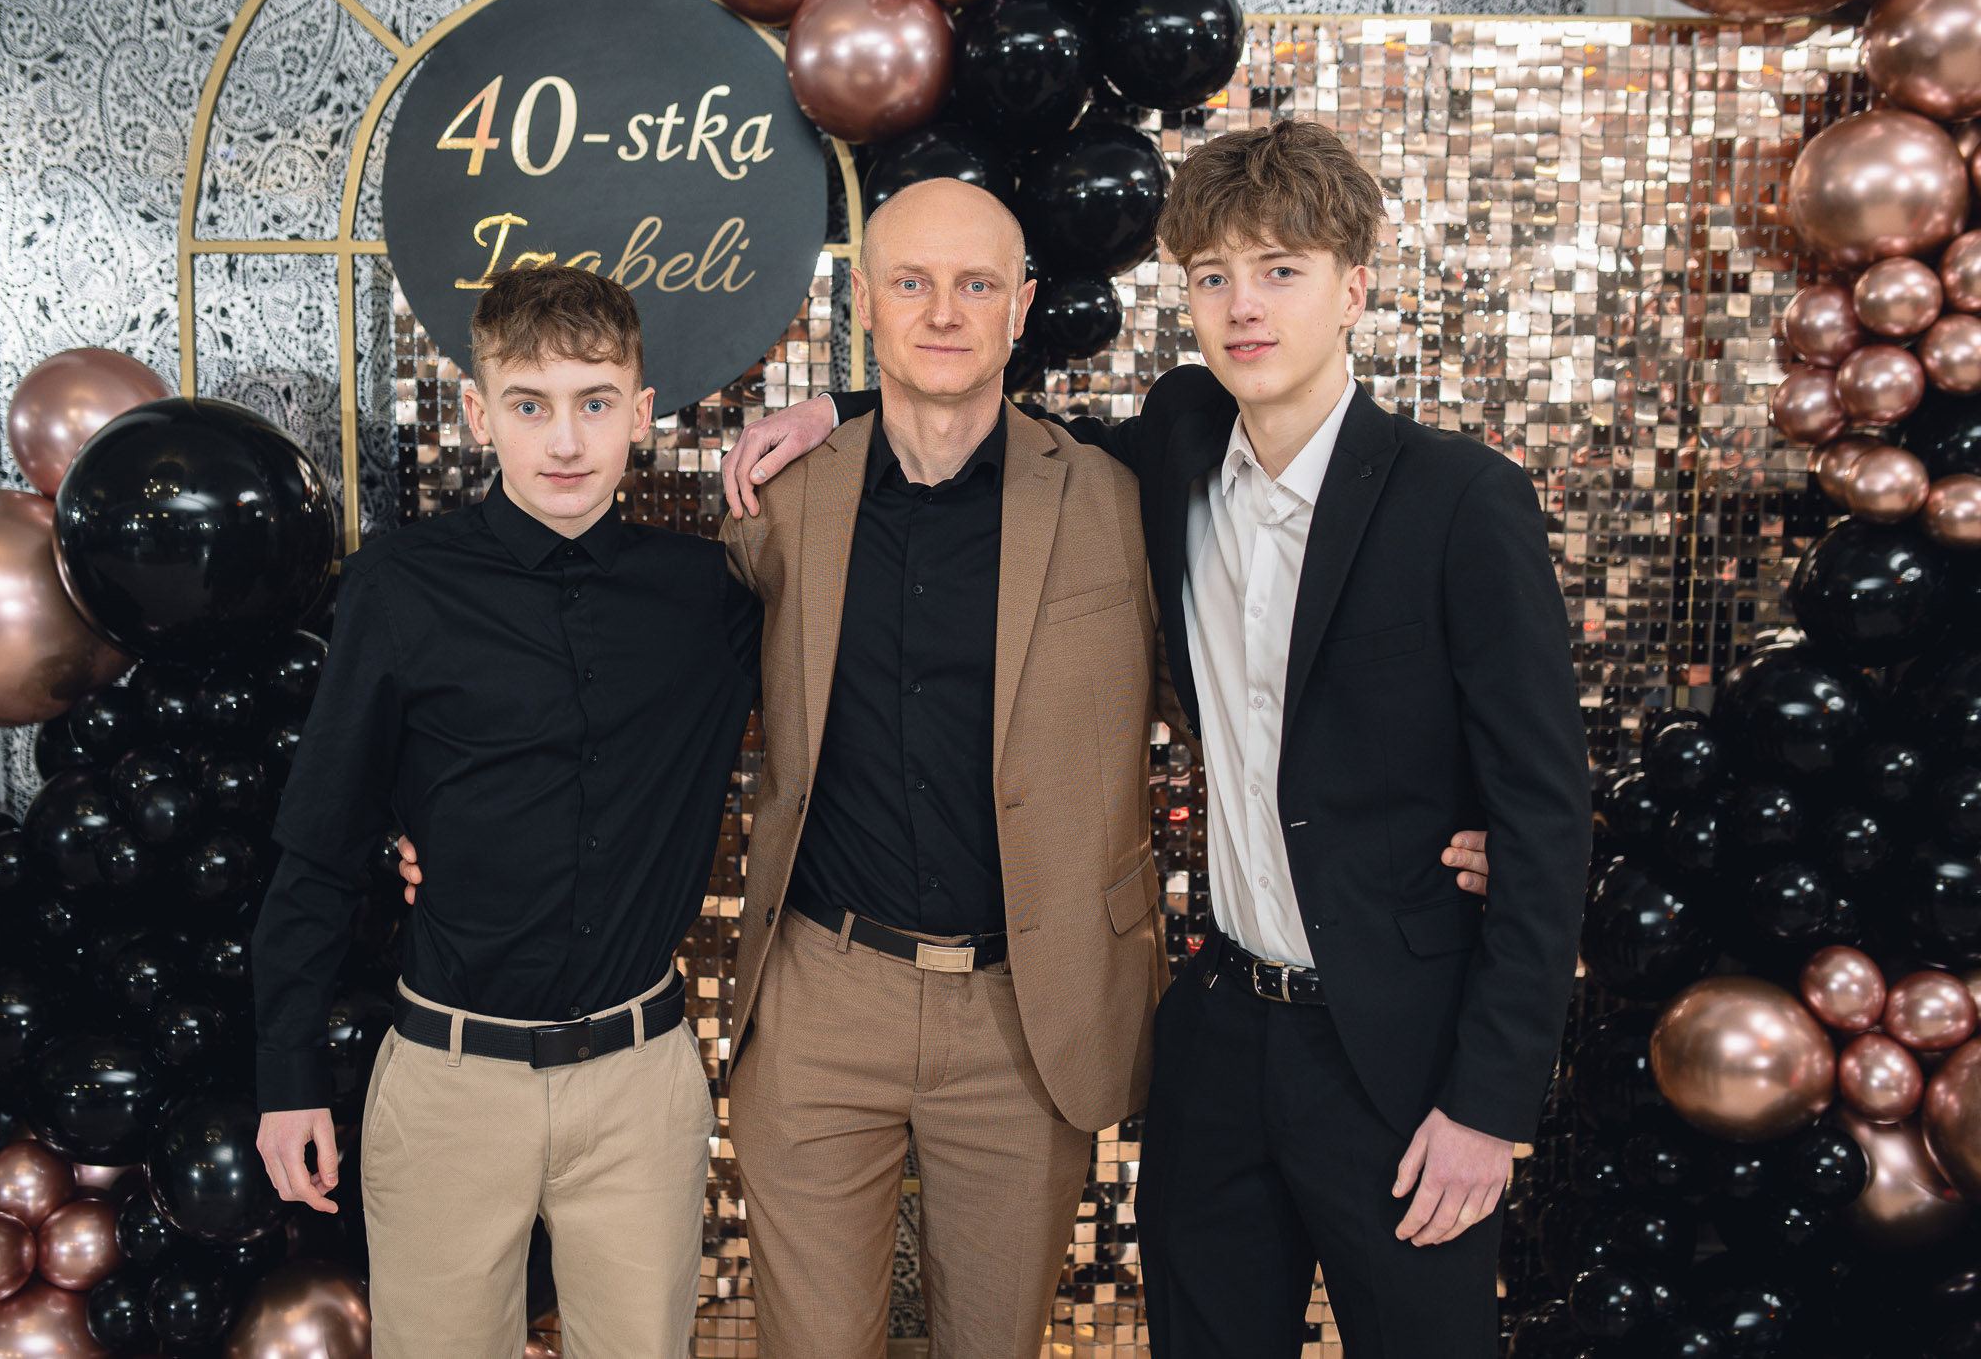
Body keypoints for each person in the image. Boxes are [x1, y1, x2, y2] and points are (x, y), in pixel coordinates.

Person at [726, 120, 1590, 1358]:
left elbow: (1545, 818)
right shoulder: (1176, 446)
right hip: (1220, 1031)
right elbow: (963, 415)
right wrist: (836, 406)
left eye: (1280, 271)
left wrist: (1490, 1105)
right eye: (1213, 277)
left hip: (1399, 1048)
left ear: (1353, 288)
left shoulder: (1460, 500)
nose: (1244, 307)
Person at [252, 265, 759, 1359]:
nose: (564, 441)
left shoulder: (711, 596)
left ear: (640, 411)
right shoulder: (397, 585)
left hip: (640, 1084)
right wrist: (287, 1077)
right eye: (530, 405)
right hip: (449, 1083)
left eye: (593, 402)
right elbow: (321, 841)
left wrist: (835, 411)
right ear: (481, 416)